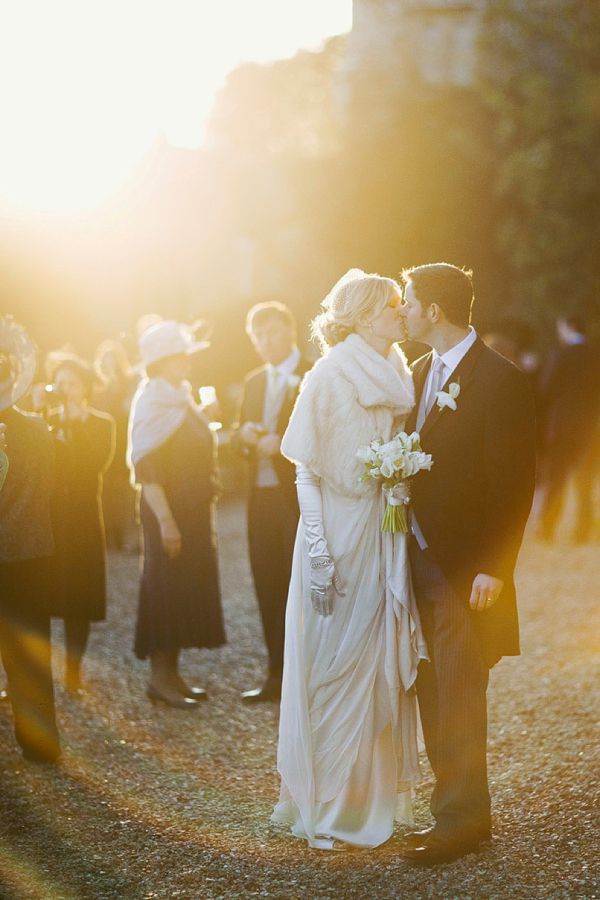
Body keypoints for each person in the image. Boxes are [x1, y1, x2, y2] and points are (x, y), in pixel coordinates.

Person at [272, 269, 427, 851]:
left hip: (385, 529)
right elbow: (305, 468)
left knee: (378, 656)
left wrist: (401, 481)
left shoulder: (401, 371)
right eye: (391, 305)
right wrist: (316, 547)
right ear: (363, 318)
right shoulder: (330, 374)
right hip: (336, 529)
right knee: (331, 658)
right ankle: (326, 800)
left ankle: (373, 798)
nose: (401, 312)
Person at [398, 263, 536, 865]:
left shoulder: (502, 381)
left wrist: (494, 567)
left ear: (433, 310)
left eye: (407, 300)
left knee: (459, 690)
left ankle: (458, 822)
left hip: (464, 572)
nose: (400, 310)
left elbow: (514, 485)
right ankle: (462, 813)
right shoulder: (418, 371)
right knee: (432, 688)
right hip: (412, 559)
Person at [127, 319, 226, 708]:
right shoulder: (151, 400)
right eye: (179, 356)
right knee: (165, 588)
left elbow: (180, 443)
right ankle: (159, 679)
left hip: (194, 511)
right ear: (161, 362)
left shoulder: (179, 397)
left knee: (184, 588)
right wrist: (167, 522)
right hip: (167, 512)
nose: (187, 361)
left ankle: (174, 675)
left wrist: (202, 414)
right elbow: (146, 465)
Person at [230, 302, 312, 703]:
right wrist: (241, 436)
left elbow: (322, 432)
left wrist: (280, 446)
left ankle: (311, 675)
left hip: (298, 497)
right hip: (258, 499)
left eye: (272, 332)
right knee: (267, 583)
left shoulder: (315, 372)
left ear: (290, 330)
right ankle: (277, 675)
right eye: (258, 336)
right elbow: (237, 435)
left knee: (306, 582)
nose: (265, 341)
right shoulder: (253, 382)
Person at [33, 353, 116, 696]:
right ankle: (32, 674)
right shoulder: (42, 422)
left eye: (73, 383)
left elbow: (94, 466)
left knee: (79, 596)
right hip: (49, 518)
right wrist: (42, 416)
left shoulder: (101, 423)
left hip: (83, 518)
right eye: (61, 383)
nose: (66, 389)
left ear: (86, 387)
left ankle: (72, 672)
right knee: (40, 595)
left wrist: (75, 427)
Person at [0, 316, 61, 763]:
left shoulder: (34, 430)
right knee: (32, 658)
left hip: (22, 556)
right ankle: (40, 744)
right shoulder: (39, 429)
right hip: (33, 557)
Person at [536, 315, 600, 543]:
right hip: (590, 429)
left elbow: (545, 388)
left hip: (561, 427)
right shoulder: (596, 356)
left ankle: (547, 529)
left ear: (570, 327)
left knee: (555, 481)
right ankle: (583, 531)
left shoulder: (560, 354)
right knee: (585, 482)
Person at [93, 340, 137, 552]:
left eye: (113, 362)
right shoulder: (96, 389)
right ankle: (107, 535)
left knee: (122, 490)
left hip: (123, 442)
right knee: (105, 489)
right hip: (104, 441)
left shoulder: (129, 385)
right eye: (106, 362)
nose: (110, 367)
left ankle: (122, 535)